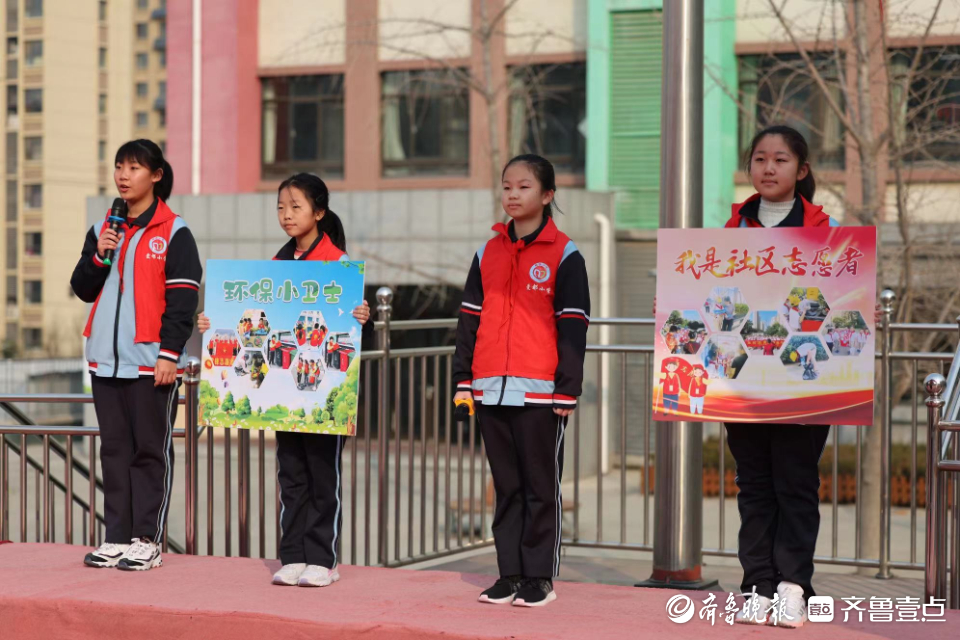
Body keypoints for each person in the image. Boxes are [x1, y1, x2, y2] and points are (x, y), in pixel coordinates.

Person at [198, 173, 373, 588]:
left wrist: (361, 315)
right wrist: (213, 321)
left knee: (322, 474)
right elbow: (250, 321)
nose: (287, 215)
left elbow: (353, 333)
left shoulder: (340, 267)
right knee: (290, 474)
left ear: (319, 211)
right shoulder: (275, 268)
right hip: (285, 391)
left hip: (324, 392)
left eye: (296, 207)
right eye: (281, 207)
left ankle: (323, 558)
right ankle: (293, 555)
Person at [453, 154, 589, 608]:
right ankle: (508, 573)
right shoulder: (485, 252)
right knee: (506, 486)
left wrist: (567, 386)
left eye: (524, 187)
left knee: (540, 487)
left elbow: (574, 324)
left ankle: (539, 579)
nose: (513, 194)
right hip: (489, 387)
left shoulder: (565, 254)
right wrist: (463, 378)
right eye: (507, 186)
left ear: (547, 195)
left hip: (541, 392)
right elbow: (469, 320)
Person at [721, 125, 843, 627]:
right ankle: (758, 586)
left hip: (805, 381)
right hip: (745, 381)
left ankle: (794, 585)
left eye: (780, 160)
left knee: (795, 483)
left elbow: (844, 300)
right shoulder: (730, 234)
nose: (768, 169)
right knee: (753, 485)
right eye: (760, 160)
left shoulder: (827, 231)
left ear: (802, 170)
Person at [71, 139, 201, 572]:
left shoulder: (174, 231)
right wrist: (99, 254)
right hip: (106, 362)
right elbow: (84, 288)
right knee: (114, 451)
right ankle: (117, 536)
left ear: (156, 175)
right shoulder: (102, 228)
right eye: (118, 167)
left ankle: (147, 539)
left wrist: (169, 354)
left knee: (149, 451)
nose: (123, 176)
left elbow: (183, 301)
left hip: (152, 364)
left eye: (134, 168)